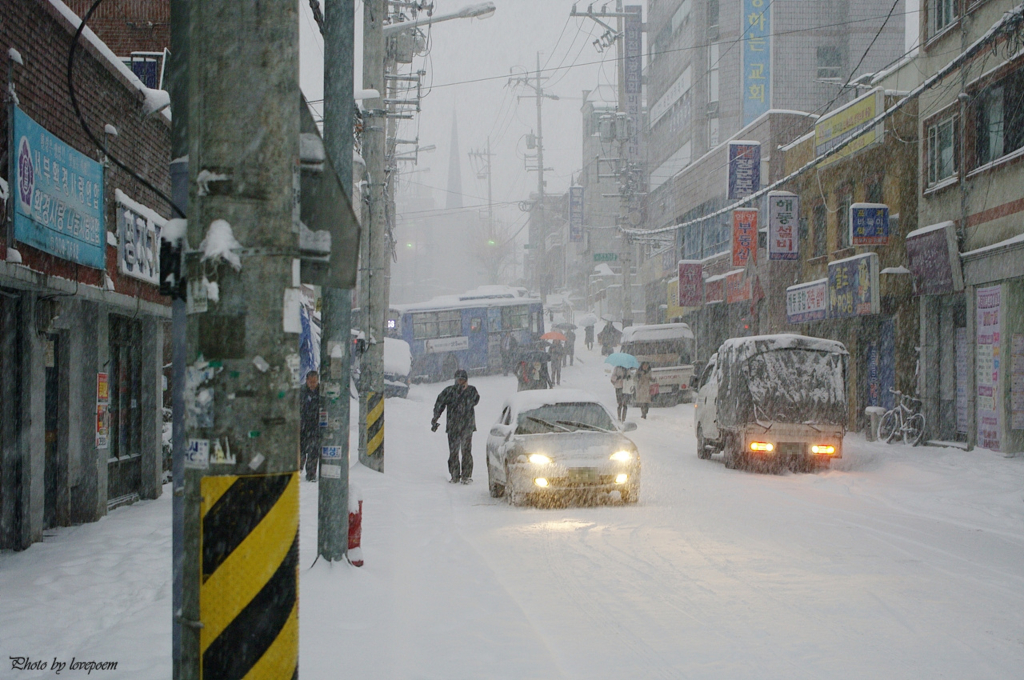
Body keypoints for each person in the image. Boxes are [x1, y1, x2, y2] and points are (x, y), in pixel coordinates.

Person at [431, 369, 481, 484]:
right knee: (453, 452)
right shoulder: (449, 391)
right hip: (453, 427)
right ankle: (454, 475)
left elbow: (475, 400)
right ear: (455, 380)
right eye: (459, 380)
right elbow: (439, 404)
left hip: (467, 427)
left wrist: (465, 392)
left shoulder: (471, 390)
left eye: (463, 380)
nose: (460, 382)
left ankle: (466, 476)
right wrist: (435, 418)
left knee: (466, 451)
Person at [299, 370, 322, 482]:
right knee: (300, 450)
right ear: (306, 380)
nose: (312, 384)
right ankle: (297, 470)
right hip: (302, 425)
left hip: (315, 426)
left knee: (313, 451)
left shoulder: (321, 392)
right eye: (310, 381)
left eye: (314, 381)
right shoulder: (301, 392)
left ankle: (311, 474)